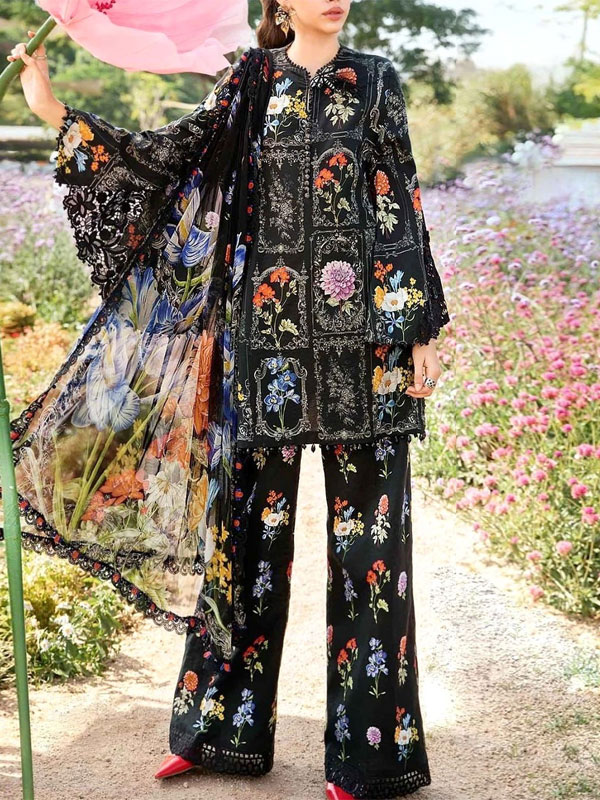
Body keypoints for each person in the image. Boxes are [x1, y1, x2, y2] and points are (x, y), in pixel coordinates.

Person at [7, 0, 450, 797]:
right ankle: (220, 730)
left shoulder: (376, 81)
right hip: (262, 354)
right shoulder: (246, 81)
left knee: (372, 557)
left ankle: (372, 756)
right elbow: (167, 160)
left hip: (367, 356)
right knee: (241, 549)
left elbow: (399, 204)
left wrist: (422, 327)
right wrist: (56, 114)